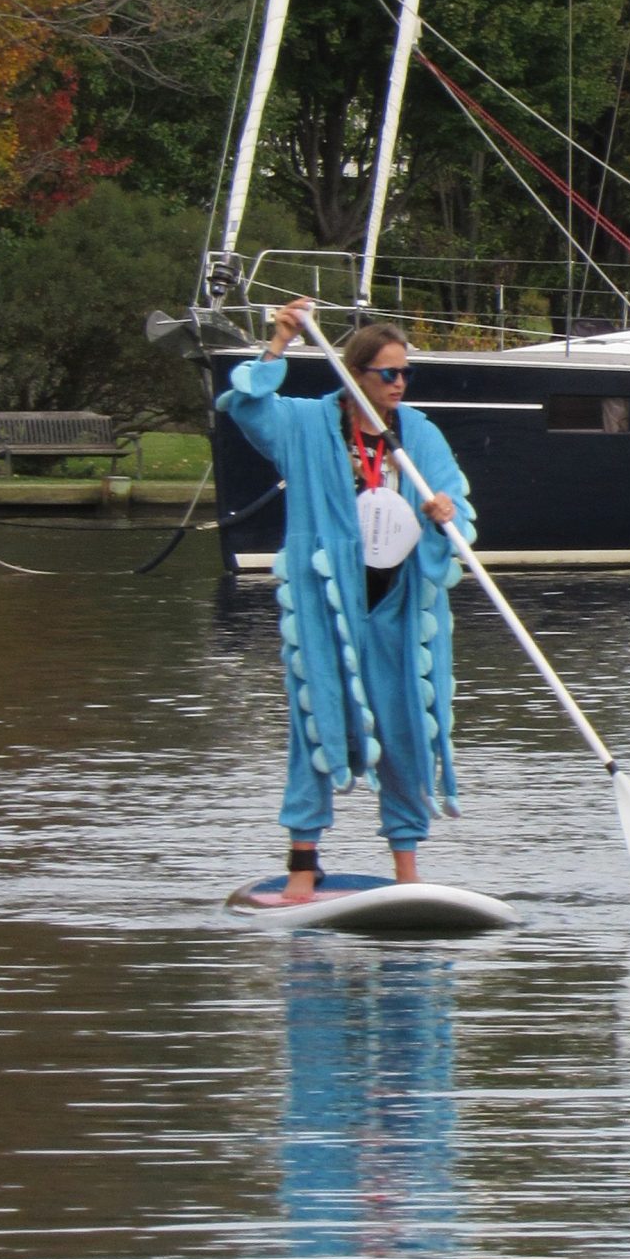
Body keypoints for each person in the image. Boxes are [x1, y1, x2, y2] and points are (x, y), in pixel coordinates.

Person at [219, 297, 473, 900]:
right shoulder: (308, 425)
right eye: (388, 373)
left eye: (405, 372)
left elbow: (455, 499)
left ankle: (407, 872)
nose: (400, 383)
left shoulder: (417, 433)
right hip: (329, 606)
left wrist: (444, 512)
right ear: (356, 375)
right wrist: (279, 340)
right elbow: (248, 407)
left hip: (400, 602)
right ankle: (303, 868)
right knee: (316, 722)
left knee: (409, 725)